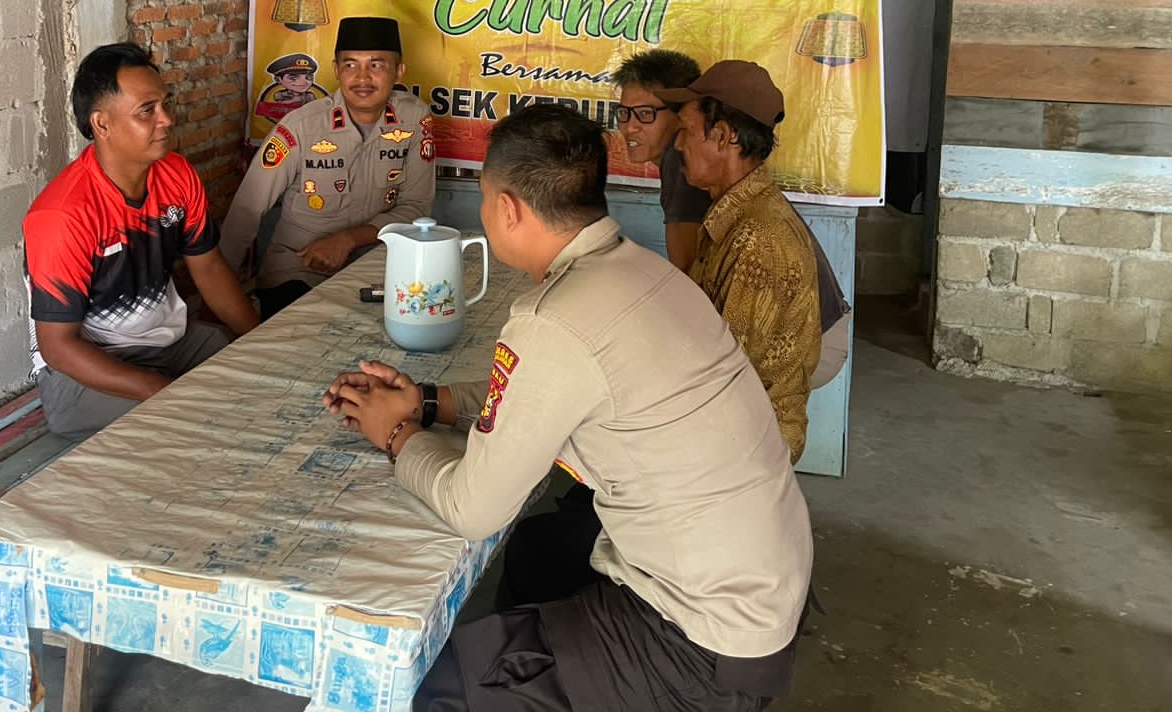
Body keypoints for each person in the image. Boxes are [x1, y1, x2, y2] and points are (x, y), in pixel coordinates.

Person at [325, 104, 813, 711]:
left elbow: (472, 508)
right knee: (540, 552)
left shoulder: (552, 320)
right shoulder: (647, 271)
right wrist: (427, 401)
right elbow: (544, 393)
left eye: (485, 199)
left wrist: (396, 434)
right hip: (768, 587)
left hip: (700, 646)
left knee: (437, 690)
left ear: (508, 210)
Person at [22, 43, 260, 439]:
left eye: (165, 104)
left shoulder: (176, 174)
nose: (166, 120)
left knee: (256, 377)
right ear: (102, 124)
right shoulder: (62, 215)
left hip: (167, 343)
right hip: (83, 373)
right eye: (146, 110)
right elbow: (59, 348)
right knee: (202, 421)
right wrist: (163, 392)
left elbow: (209, 268)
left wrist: (263, 341)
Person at [653, 60, 823, 462]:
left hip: (747, 441)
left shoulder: (756, 238)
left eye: (686, 131)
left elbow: (725, 377)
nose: (678, 145)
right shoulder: (735, 213)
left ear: (725, 136)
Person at [221, 16, 436, 320]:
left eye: (376, 65)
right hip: (299, 269)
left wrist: (349, 240)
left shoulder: (413, 119)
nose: (362, 78)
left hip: (376, 269)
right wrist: (219, 296)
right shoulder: (301, 126)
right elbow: (247, 210)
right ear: (336, 70)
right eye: (350, 65)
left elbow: (416, 207)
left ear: (399, 71)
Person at [611, 49, 712, 272]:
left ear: (683, 115)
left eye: (645, 114)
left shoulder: (682, 163)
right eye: (624, 113)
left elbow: (687, 271)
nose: (629, 127)